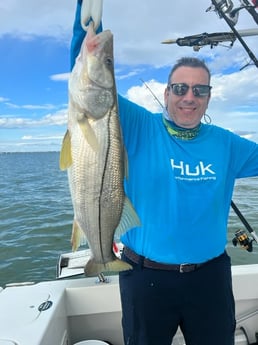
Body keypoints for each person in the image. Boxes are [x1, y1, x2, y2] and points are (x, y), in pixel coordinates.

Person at [70, 2, 258, 344]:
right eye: (180, 88)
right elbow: (89, 75)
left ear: (209, 97)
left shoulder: (229, 145)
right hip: (144, 277)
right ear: (168, 91)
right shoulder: (139, 124)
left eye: (200, 90)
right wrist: (88, 9)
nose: (190, 97)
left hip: (210, 279)